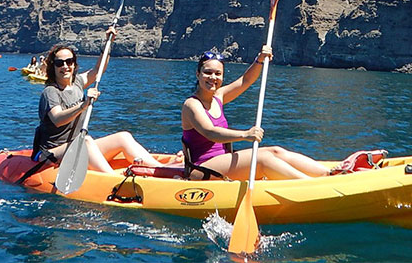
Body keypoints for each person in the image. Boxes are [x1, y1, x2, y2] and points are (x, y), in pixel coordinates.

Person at [181, 47, 330, 180]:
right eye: (207, 72)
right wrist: (245, 135)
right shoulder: (192, 104)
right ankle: (308, 185)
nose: (213, 78)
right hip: (201, 169)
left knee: (275, 151)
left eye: (218, 74)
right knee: (263, 158)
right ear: (198, 74)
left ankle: (328, 174)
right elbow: (210, 132)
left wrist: (259, 60)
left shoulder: (218, 96)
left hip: (223, 161)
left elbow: (246, 80)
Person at [33, 27, 162, 173]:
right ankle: (113, 179)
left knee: (123, 137)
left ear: (74, 64)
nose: (65, 66)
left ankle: (162, 170)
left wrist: (108, 43)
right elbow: (57, 119)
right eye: (59, 63)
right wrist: (84, 104)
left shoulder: (77, 83)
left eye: (69, 62)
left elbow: (98, 69)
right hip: (51, 153)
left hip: (75, 146)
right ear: (53, 67)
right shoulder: (50, 92)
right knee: (86, 141)